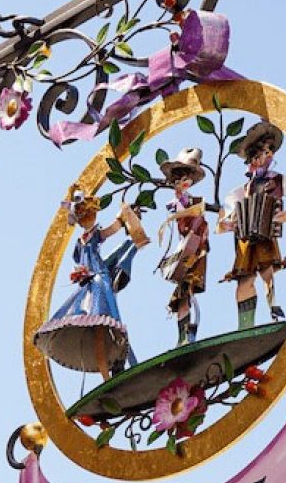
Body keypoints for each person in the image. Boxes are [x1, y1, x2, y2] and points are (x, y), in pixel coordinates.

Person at [33, 188, 151, 376]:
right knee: (92, 318)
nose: (87, 218)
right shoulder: (80, 241)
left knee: (111, 320)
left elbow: (112, 230)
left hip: (99, 278)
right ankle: (112, 365)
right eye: (82, 215)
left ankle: (123, 360)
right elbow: (79, 259)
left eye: (89, 214)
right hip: (90, 282)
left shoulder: (96, 234)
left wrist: (124, 217)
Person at [217, 120, 286, 325]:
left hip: (265, 233)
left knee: (267, 273)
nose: (266, 154)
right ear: (252, 158)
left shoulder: (278, 181)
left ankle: (273, 309)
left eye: (270, 150)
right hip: (244, 239)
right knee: (244, 279)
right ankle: (245, 325)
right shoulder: (239, 191)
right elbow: (224, 217)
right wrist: (228, 223)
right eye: (261, 151)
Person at [157, 147, 213, 347]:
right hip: (185, 249)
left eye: (186, 178)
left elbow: (202, 226)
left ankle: (189, 335)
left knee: (188, 291)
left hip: (197, 250)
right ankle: (183, 337)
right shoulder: (177, 204)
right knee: (183, 294)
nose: (182, 183)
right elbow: (181, 225)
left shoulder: (197, 203)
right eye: (178, 179)